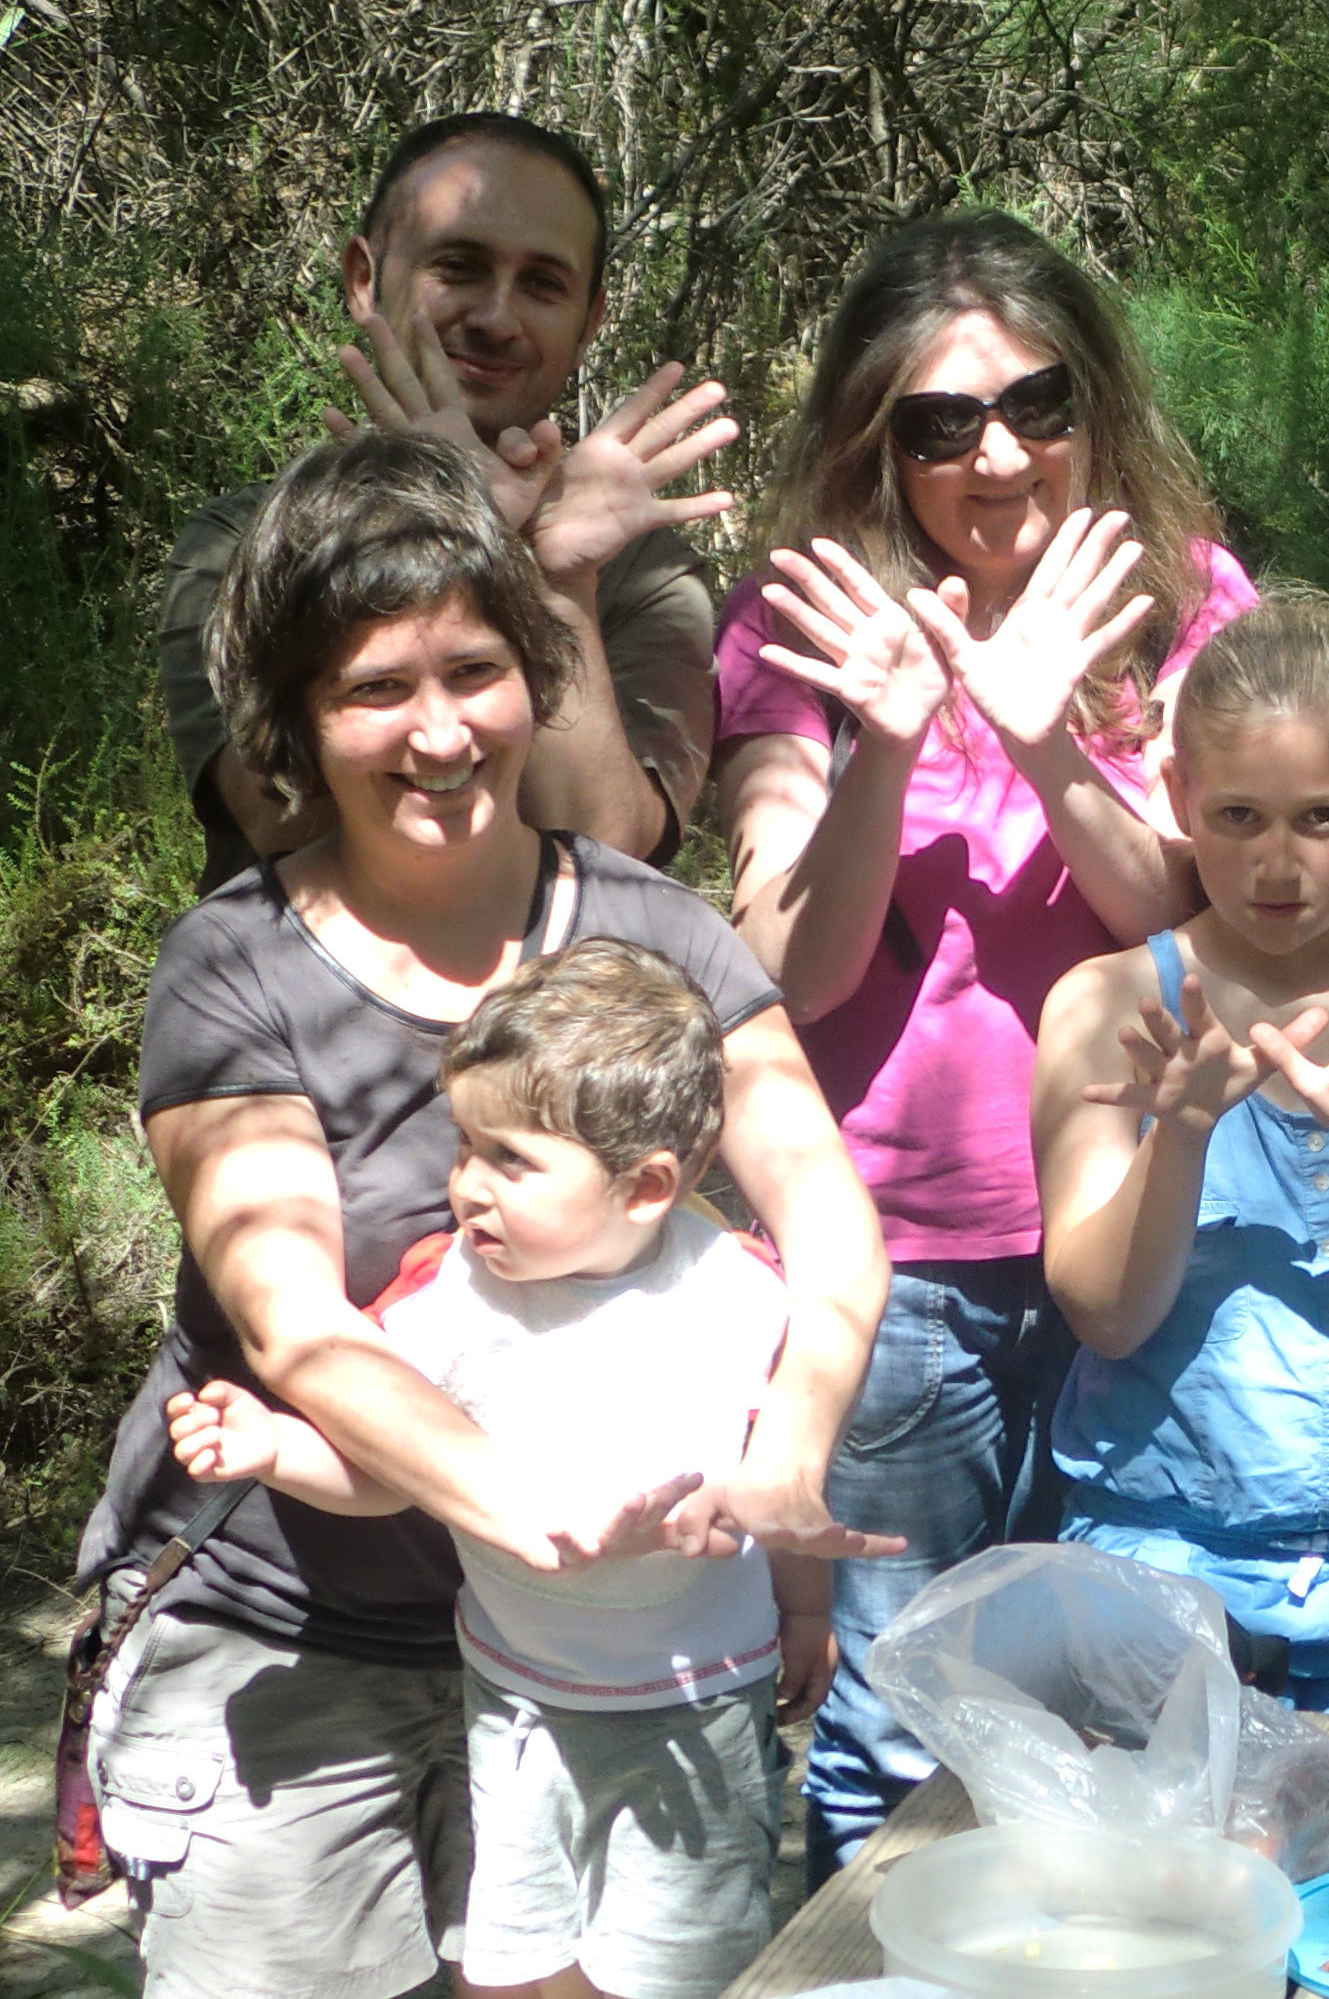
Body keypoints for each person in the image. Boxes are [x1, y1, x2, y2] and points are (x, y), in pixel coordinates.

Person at [75, 431, 889, 1999]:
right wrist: (524, 1505)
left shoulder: (658, 937)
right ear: (299, 724)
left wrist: (788, 1455)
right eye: (376, 689)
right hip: (292, 1646)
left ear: (535, 672)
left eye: (475, 670)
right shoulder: (232, 967)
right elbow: (297, 1324)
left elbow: (827, 1217)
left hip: (626, 1670)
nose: (440, 733)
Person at [713, 209, 1259, 1865]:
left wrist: (1041, 736)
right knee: (893, 1720)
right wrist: (888, 737)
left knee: (1122, 1698)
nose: (996, 453)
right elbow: (782, 970)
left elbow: (1192, 916)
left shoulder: (1184, 604)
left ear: (1094, 404)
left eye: (1035, 403)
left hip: (1140, 1233)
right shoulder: (803, 622)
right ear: (878, 441)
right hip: (899, 1280)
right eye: (939, 422)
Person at [163, 940, 840, 1999]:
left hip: (701, 1708)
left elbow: (779, 1483)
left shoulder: (741, 1293)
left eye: (512, 1162)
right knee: (513, 1963)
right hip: (519, 1705)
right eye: (465, 1146)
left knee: (678, 1970)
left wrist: (806, 1613)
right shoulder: (446, 1302)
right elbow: (394, 1477)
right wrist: (279, 1449)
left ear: (648, 1185)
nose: (468, 1188)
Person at [1030, 591, 1329, 1709]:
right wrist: (1183, 1133)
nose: (1276, 863)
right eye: (1238, 817)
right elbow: (1103, 1314)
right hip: (1154, 1566)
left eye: (1320, 818)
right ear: (1174, 797)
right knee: (1168, 1887)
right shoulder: (1106, 1005)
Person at [159, 111, 738, 893]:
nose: (496, 317)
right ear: (364, 279)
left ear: (588, 321)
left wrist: (557, 585)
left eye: (542, 283)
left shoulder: (640, 575)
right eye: (459, 267)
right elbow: (282, 819)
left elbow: (609, 854)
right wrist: (444, 514)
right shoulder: (236, 546)